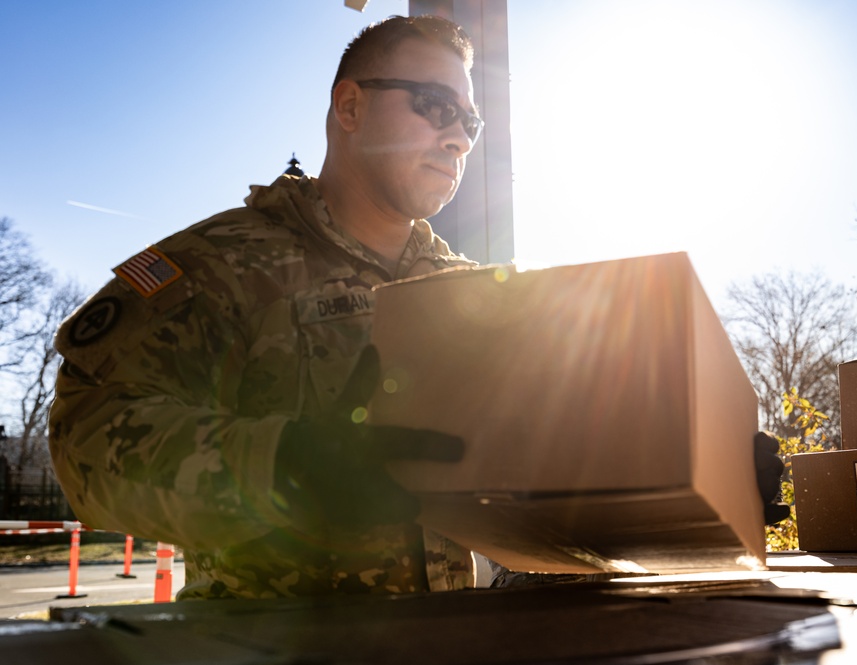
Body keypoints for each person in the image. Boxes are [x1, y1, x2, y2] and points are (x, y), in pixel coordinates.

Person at [49, 15, 787, 600]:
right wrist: (282, 463)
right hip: (266, 644)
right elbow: (87, 439)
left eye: (471, 122)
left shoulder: (482, 294)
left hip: (448, 639)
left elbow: (559, 462)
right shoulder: (217, 266)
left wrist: (702, 473)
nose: (459, 135)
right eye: (436, 106)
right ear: (349, 106)